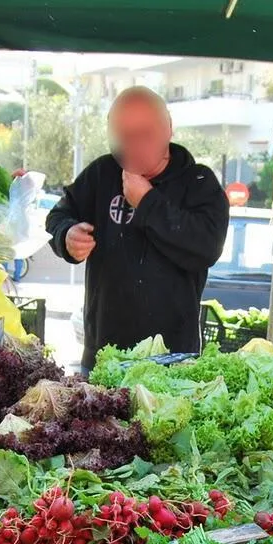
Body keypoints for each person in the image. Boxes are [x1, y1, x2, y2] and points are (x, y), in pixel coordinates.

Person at [47, 86, 230, 372]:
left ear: (168, 128)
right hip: (103, 357)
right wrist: (66, 236)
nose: (133, 146)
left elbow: (206, 247)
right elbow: (58, 216)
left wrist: (146, 202)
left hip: (172, 361)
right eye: (123, 137)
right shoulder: (101, 173)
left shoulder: (199, 183)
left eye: (145, 135)